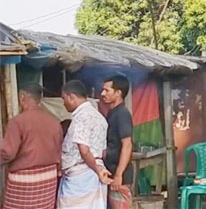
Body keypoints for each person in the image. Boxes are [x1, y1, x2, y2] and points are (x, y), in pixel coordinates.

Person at [0, 84, 63, 209]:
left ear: (22, 97)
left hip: (24, 181)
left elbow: (7, 152)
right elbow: (59, 149)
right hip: (49, 178)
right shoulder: (54, 122)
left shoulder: (17, 122)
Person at [58, 80, 110, 209]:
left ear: (71, 96)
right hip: (95, 172)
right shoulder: (99, 117)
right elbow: (103, 152)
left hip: (80, 177)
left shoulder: (82, 117)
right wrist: (98, 169)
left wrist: (96, 170)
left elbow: (84, 150)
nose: (63, 103)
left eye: (64, 98)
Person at [101, 75, 134, 197]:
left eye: (107, 90)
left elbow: (127, 145)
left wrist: (119, 175)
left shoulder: (122, 114)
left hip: (119, 176)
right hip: (111, 171)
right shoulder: (112, 112)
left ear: (118, 93)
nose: (103, 93)